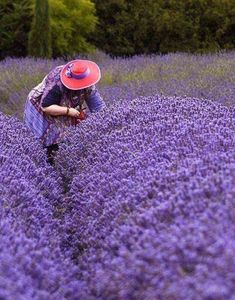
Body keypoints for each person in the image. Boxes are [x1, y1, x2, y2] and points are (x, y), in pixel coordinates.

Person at [23, 59, 106, 165]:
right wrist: (68, 111)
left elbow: (98, 107)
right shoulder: (57, 81)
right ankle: (44, 165)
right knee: (45, 143)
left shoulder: (88, 84)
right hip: (41, 108)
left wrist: (105, 126)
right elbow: (46, 106)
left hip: (64, 107)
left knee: (65, 138)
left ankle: (58, 163)